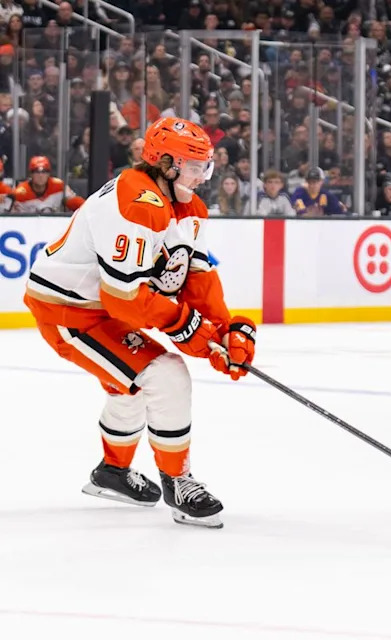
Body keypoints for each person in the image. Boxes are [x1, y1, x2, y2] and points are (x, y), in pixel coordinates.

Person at [22, 117, 256, 529]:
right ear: (166, 163)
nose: (203, 174)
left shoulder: (189, 206)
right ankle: (178, 482)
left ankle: (111, 474)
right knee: (165, 374)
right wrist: (190, 332)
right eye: (194, 165)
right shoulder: (134, 202)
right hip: (67, 310)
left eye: (206, 166)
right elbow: (126, 300)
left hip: (100, 308)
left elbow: (196, 278)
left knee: (128, 384)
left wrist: (223, 331)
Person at [12, 155, 85, 212]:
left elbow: (75, 202)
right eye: (36, 172)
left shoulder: (59, 186)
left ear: (48, 174)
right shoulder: (20, 192)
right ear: (31, 174)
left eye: (44, 171)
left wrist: (86, 206)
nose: (40, 176)